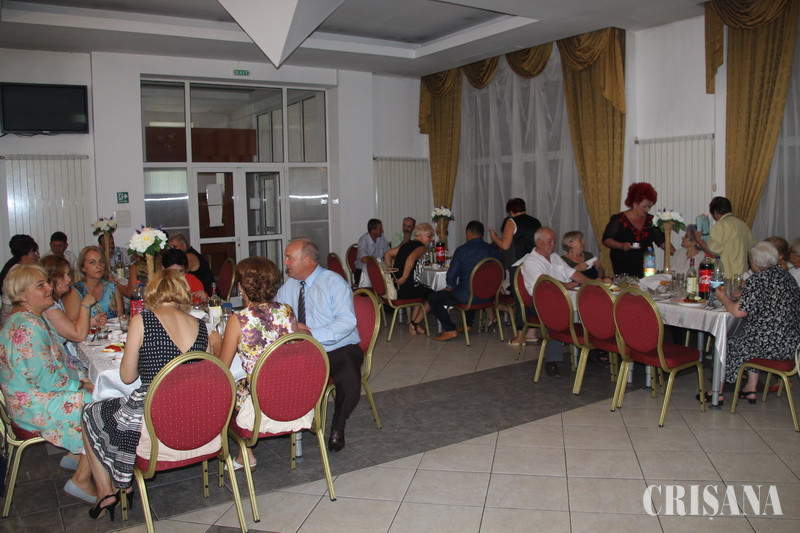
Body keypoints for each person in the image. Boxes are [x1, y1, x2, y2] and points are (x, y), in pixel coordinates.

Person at [82, 270, 209, 520]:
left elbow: (127, 377)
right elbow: (206, 372)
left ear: (152, 292)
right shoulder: (201, 325)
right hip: (192, 413)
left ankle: (107, 491)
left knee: (90, 411)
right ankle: (119, 482)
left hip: (155, 416)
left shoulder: (143, 320)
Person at [0, 264, 96, 505]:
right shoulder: (27, 325)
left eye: (46, 282)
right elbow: (48, 379)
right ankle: (81, 479)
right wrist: (83, 386)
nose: (49, 288)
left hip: (31, 395)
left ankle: (78, 455)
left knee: (96, 388)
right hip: (33, 405)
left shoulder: (32, 316)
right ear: (22, 294)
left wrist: (82, 379)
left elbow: (54, 367)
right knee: (101, 405)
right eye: (40, 285)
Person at [209, 257, 297, 469]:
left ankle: (237, 449)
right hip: (289, 387)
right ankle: (244, 453)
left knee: (223, 385)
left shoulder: (239, 319)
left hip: (258, 395)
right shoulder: (286, 311)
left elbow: (223, 367)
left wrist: (217, 343)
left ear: (240, 287)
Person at [276, 238, 361, 452]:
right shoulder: (289, 287)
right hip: (303, 349)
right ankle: (285, 419)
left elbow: (347, 322)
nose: (285, 263)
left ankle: (338, 426)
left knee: (348, 374)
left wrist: (312, 333)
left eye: (289, 258)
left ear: (307, 259)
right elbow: (278, 316)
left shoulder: (334, 282)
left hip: (337, 346)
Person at [708, 242, 800, 404]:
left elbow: (738, 312)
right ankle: (750, 388)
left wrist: (722, 298)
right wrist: (744, 294)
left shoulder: (758, 279)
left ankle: (717, 392)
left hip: (771, 346)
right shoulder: (787, 277)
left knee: (727, 341)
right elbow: (771, 299)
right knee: (751, 335)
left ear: (755, 262)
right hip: (791, 345)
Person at [517, 227, 592, 377]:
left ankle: (595, 349)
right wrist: (566, 285)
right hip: (541, 301)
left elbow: (573, 273)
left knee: (592, 303)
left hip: (564, 295)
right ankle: (551, 361)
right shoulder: (531, 261)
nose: (553, 244)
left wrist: (592, 283)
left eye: (554, 241)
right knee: (555, 312)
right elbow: (545, 281)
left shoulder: (555, 257)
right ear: (538, 242)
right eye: (549, 241)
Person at [428, 221, 501, 341]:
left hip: (469, 297)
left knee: (433, 298)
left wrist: (450, 286)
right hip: (489, 296)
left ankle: (449, 329)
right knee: (471, 285)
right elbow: (500, 273)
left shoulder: (462, 250)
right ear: (482, 234)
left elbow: (451, 276)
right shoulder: (493, 250)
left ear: (468, 233)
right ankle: (467, 325)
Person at [40, 255, 101, 369]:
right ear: (49, 278)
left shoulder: (56, 301)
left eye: (68, 274)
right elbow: (79, 336)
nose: (68, 279)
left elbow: (64, 325)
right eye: (61, 276)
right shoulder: (49, 309)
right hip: (55, 365)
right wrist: (85, 305)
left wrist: (91, 321)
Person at [602, 182, 671, 277]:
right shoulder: (618, 219)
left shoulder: (651, 220)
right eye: (644, 206)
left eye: (650, 206)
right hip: (623, 264)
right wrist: (621, 245)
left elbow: (662, 242)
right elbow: (606, 240)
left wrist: (681, 254)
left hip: (647, 265)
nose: (647, 209)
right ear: (635, 203)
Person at [384, 222, 435, 334]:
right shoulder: (421, 247)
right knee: (433, 295)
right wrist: (404, 277)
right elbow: (411, 258)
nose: (431, 239)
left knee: (420, 289)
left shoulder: (406, 245)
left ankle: (413, 324)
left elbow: (388, 253)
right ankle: (415, 323)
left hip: (396, 287)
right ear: (420, 235)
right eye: (429, 236)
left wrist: (389, 269)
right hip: (404, 288)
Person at [693, 196, 755, 276]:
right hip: (743, 274)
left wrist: (698, 239)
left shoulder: (720, 225)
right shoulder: (743, 225)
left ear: (715, 212)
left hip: (726, 275)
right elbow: (752, 250)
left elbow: (713, 253)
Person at [66, 246, 122, 322]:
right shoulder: (75, 291)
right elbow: (71, 324)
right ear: (83, 268)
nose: (98, 266)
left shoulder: (112, 288)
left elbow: (121, 320)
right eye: (92, 262)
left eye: (101, 261)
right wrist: (92, 322)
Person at [489, 198, 541, 271]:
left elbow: (505, 246)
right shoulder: (536, 222)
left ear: (511, 212)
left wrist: (494, 237)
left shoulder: (511, 221)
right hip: (535, 260)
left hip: (519, 262)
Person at [0, 234, 40, 325]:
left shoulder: (23, 268)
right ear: (24, 256)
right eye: (33, 253)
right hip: (12, 312)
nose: (37, 256)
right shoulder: (17, 271)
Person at [355, 218, 390, 284]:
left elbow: (388, 252)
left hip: (378, 270)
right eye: (380, 229)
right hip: (362, 272)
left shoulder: (382, 237)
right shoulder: (363, 240)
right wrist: (377, 261)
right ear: (373, 231)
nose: (382, 230)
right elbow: (364, 259)